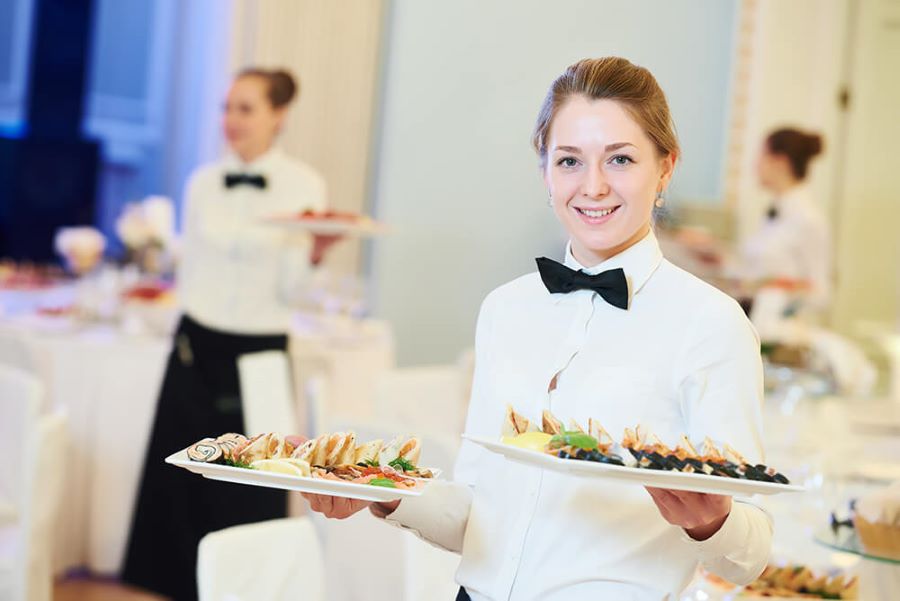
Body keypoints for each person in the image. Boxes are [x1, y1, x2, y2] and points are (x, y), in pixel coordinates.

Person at [303, 57, 772, 600]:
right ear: (545, 171)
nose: (592, 186)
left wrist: (711, 521)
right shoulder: (505, 309)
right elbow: (476, 516)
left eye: (620, 159)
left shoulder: (711, 325)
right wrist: (378, 490)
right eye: (570, 160)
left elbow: (752, 555)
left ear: (665, 169)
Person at [122, 67, 339, 601]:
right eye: (227, 108)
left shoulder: (305, 185)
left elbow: (291, 291)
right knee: (181, 481)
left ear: (277, 116)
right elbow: (195, 263)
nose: (231, 120)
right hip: (197, 345)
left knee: (258, 481)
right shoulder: (201, 182)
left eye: (246, 109)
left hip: (261, 348)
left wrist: (313, 253)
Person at [738, 128, 830, 310]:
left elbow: (821, 294)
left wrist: (777, 289)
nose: (755, 165)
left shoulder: (809, 220)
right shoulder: (774, 213)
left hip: (781, 329)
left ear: (781, 162)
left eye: (762, 156)